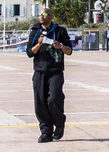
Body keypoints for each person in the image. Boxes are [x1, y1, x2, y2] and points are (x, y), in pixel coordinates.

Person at [26, 8, 73, 143]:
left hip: (55, 71)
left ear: (51, 17)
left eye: (45, 14)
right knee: (40, 102)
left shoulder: (60, 31)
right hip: (39, 71)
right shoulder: (35, 31)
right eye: (40, 14)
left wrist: (61, 46)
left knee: (54, 98)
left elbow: (69, 51)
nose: (42, 16)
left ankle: (59, 123)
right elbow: (29, 53)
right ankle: (46, 131)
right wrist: (39, 44)